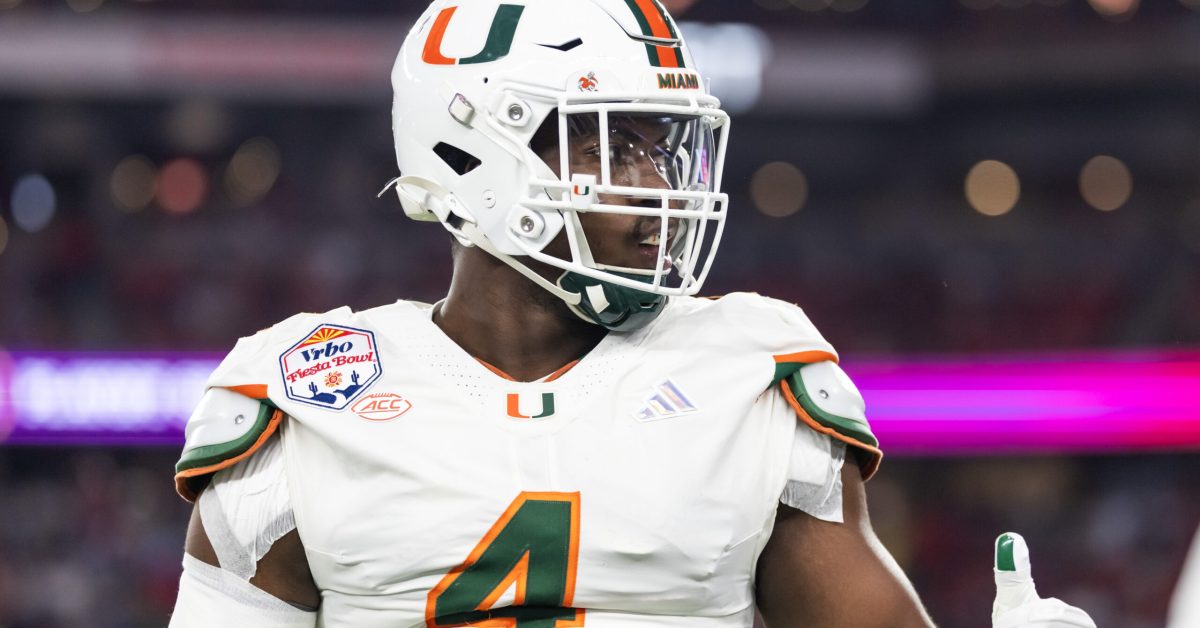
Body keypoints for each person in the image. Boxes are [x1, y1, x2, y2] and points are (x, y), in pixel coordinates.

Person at [167, 1, 1095, 626]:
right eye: (617, 147)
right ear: (474, 152)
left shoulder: (747, 372)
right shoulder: (311, 393)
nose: (661, 188)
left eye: (665, 149)